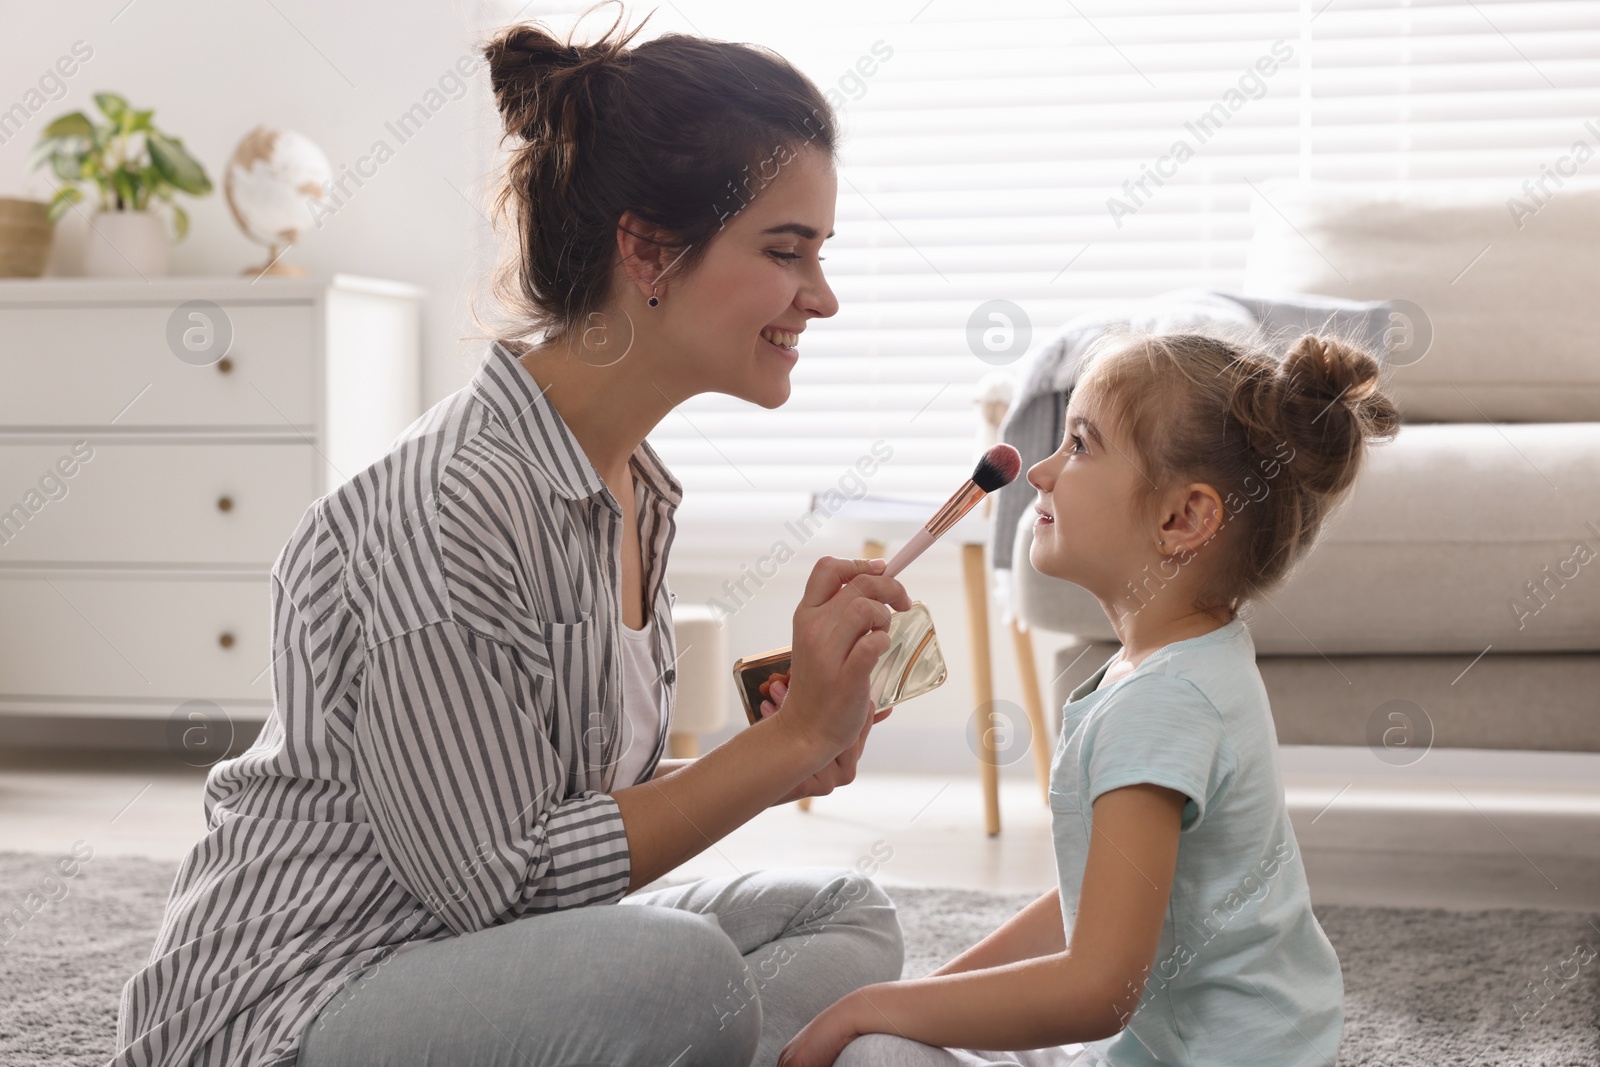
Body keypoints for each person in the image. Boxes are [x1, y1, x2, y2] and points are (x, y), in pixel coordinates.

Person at [108, 7, 909, 1067]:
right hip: (292, 996)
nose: (823, 296)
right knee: (687, 978)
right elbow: (502, 880)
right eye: (785, 249)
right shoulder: (455, 505)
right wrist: (778, 748)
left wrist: (798, 729)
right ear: (648, 248)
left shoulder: (631, 489)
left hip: (466, 956)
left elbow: (567, 828)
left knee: (848, 919)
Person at [780, 328, 1400, 1066]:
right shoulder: (1189, 661)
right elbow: (1102, 903)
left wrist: (866, 1011)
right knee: (894, 1036)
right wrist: (918, 1005)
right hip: (1219, 1048)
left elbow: (1099, 990)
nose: (1040, 471)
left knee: (875, 1059)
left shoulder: (1160, 706)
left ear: (1182, 520)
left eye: (1079, 444)